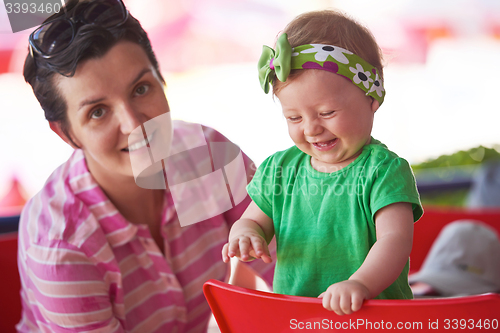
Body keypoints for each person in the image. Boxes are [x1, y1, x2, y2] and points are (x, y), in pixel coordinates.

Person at [17, 0, 274, 332]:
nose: (133, 124)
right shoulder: (60, 244)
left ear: (161, 79)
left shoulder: (208, 155)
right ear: (66, 133)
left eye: (141, 89)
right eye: (97, 111)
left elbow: (295, 267)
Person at [222, 10, 423, 316]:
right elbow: (252, 220)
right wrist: (246, 234)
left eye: (327, 113)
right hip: (298, 316)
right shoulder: (281, 169)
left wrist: (360, 284)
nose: (311, 128)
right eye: (294, 117)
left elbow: (395, 241)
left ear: (372, 98)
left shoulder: (383, 171)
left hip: (373, 317)